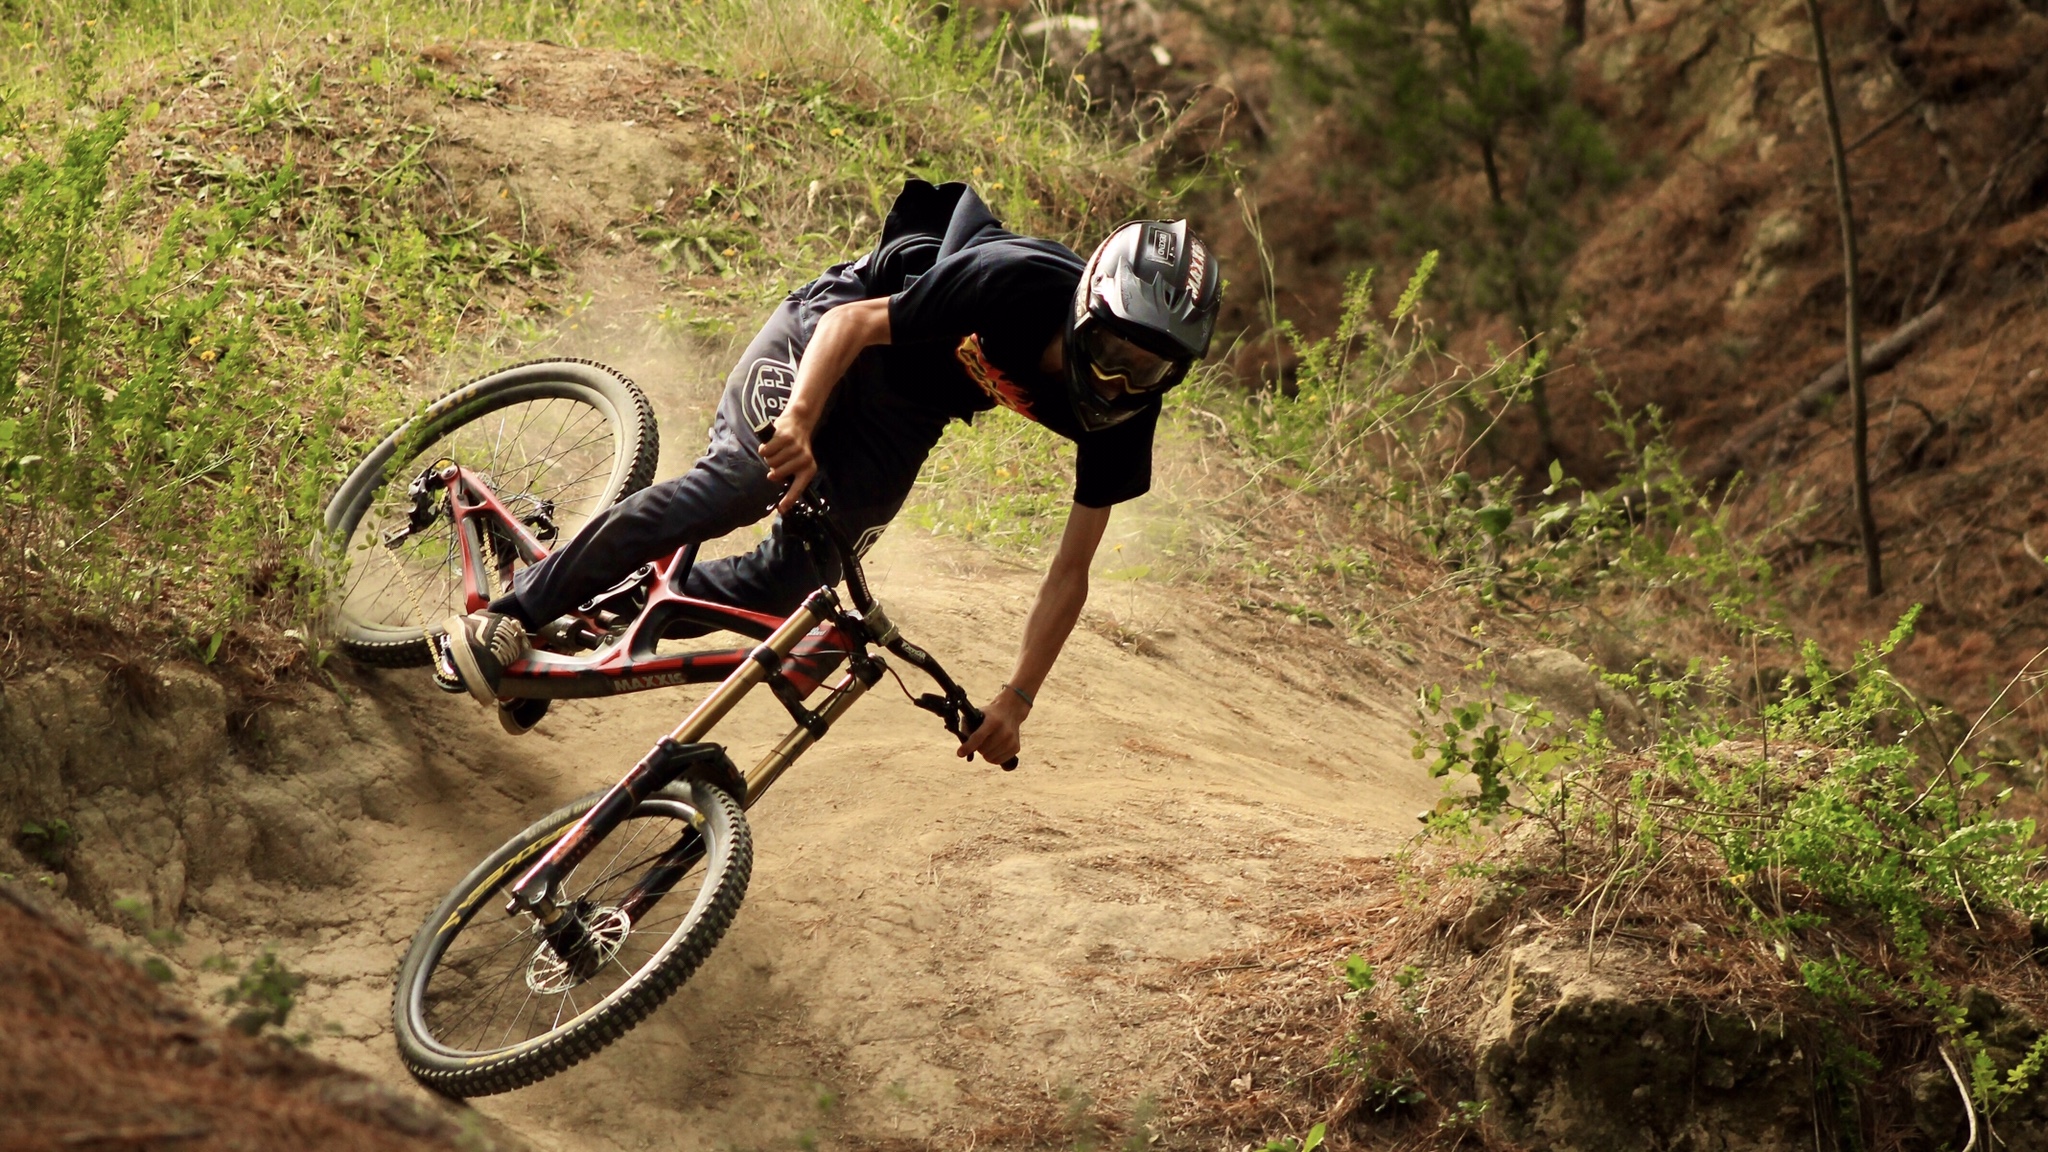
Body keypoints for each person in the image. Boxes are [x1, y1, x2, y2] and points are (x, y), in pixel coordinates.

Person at [434, 180, 1220, 766]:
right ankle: (510, 613)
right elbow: (851, 324)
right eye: (1113, 351)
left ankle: (603, 612)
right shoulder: (1014, 280)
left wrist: (1017, 699)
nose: (1120, 381)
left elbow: (1071, 570)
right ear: (1087, 307)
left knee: (792, 587)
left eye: (1151, 371)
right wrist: (801, 421)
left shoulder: (1122, 419)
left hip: (907, 414)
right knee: (744, 484)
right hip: (836, 331)